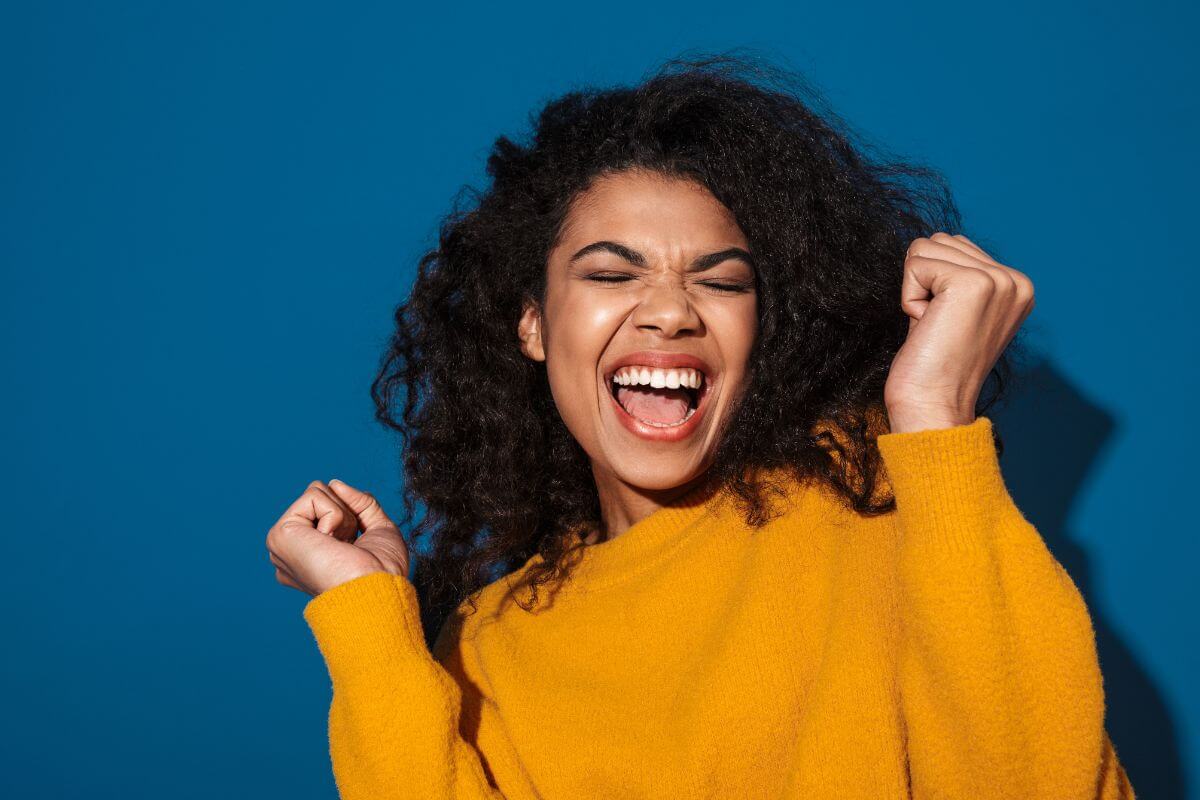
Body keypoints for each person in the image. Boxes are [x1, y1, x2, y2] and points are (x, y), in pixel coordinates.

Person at [265, 54, 1136, 799]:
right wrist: (366, 621)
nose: (672, 312)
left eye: (722, 283)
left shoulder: (882, 514)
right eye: (612, 273)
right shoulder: (492, 643)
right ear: (532, 324)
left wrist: (935, 424)